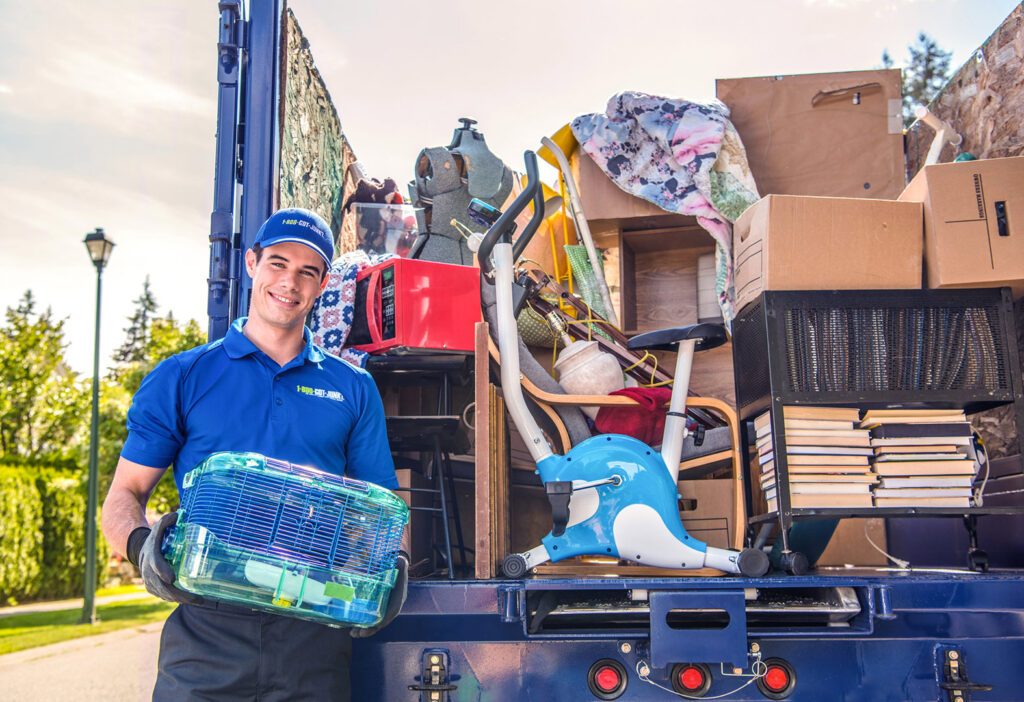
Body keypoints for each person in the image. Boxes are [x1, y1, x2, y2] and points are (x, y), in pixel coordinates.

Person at [101, 207, 406, 701]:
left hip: (314, 631)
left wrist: (393, 564)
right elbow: (124, 495)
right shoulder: (182, 376)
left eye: (307, 271)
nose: (290, 282)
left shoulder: (353, 388)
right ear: (251, 264)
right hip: (206, 633)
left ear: (323, 282)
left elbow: (380, 504)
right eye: (278, 264)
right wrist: (143, 549)